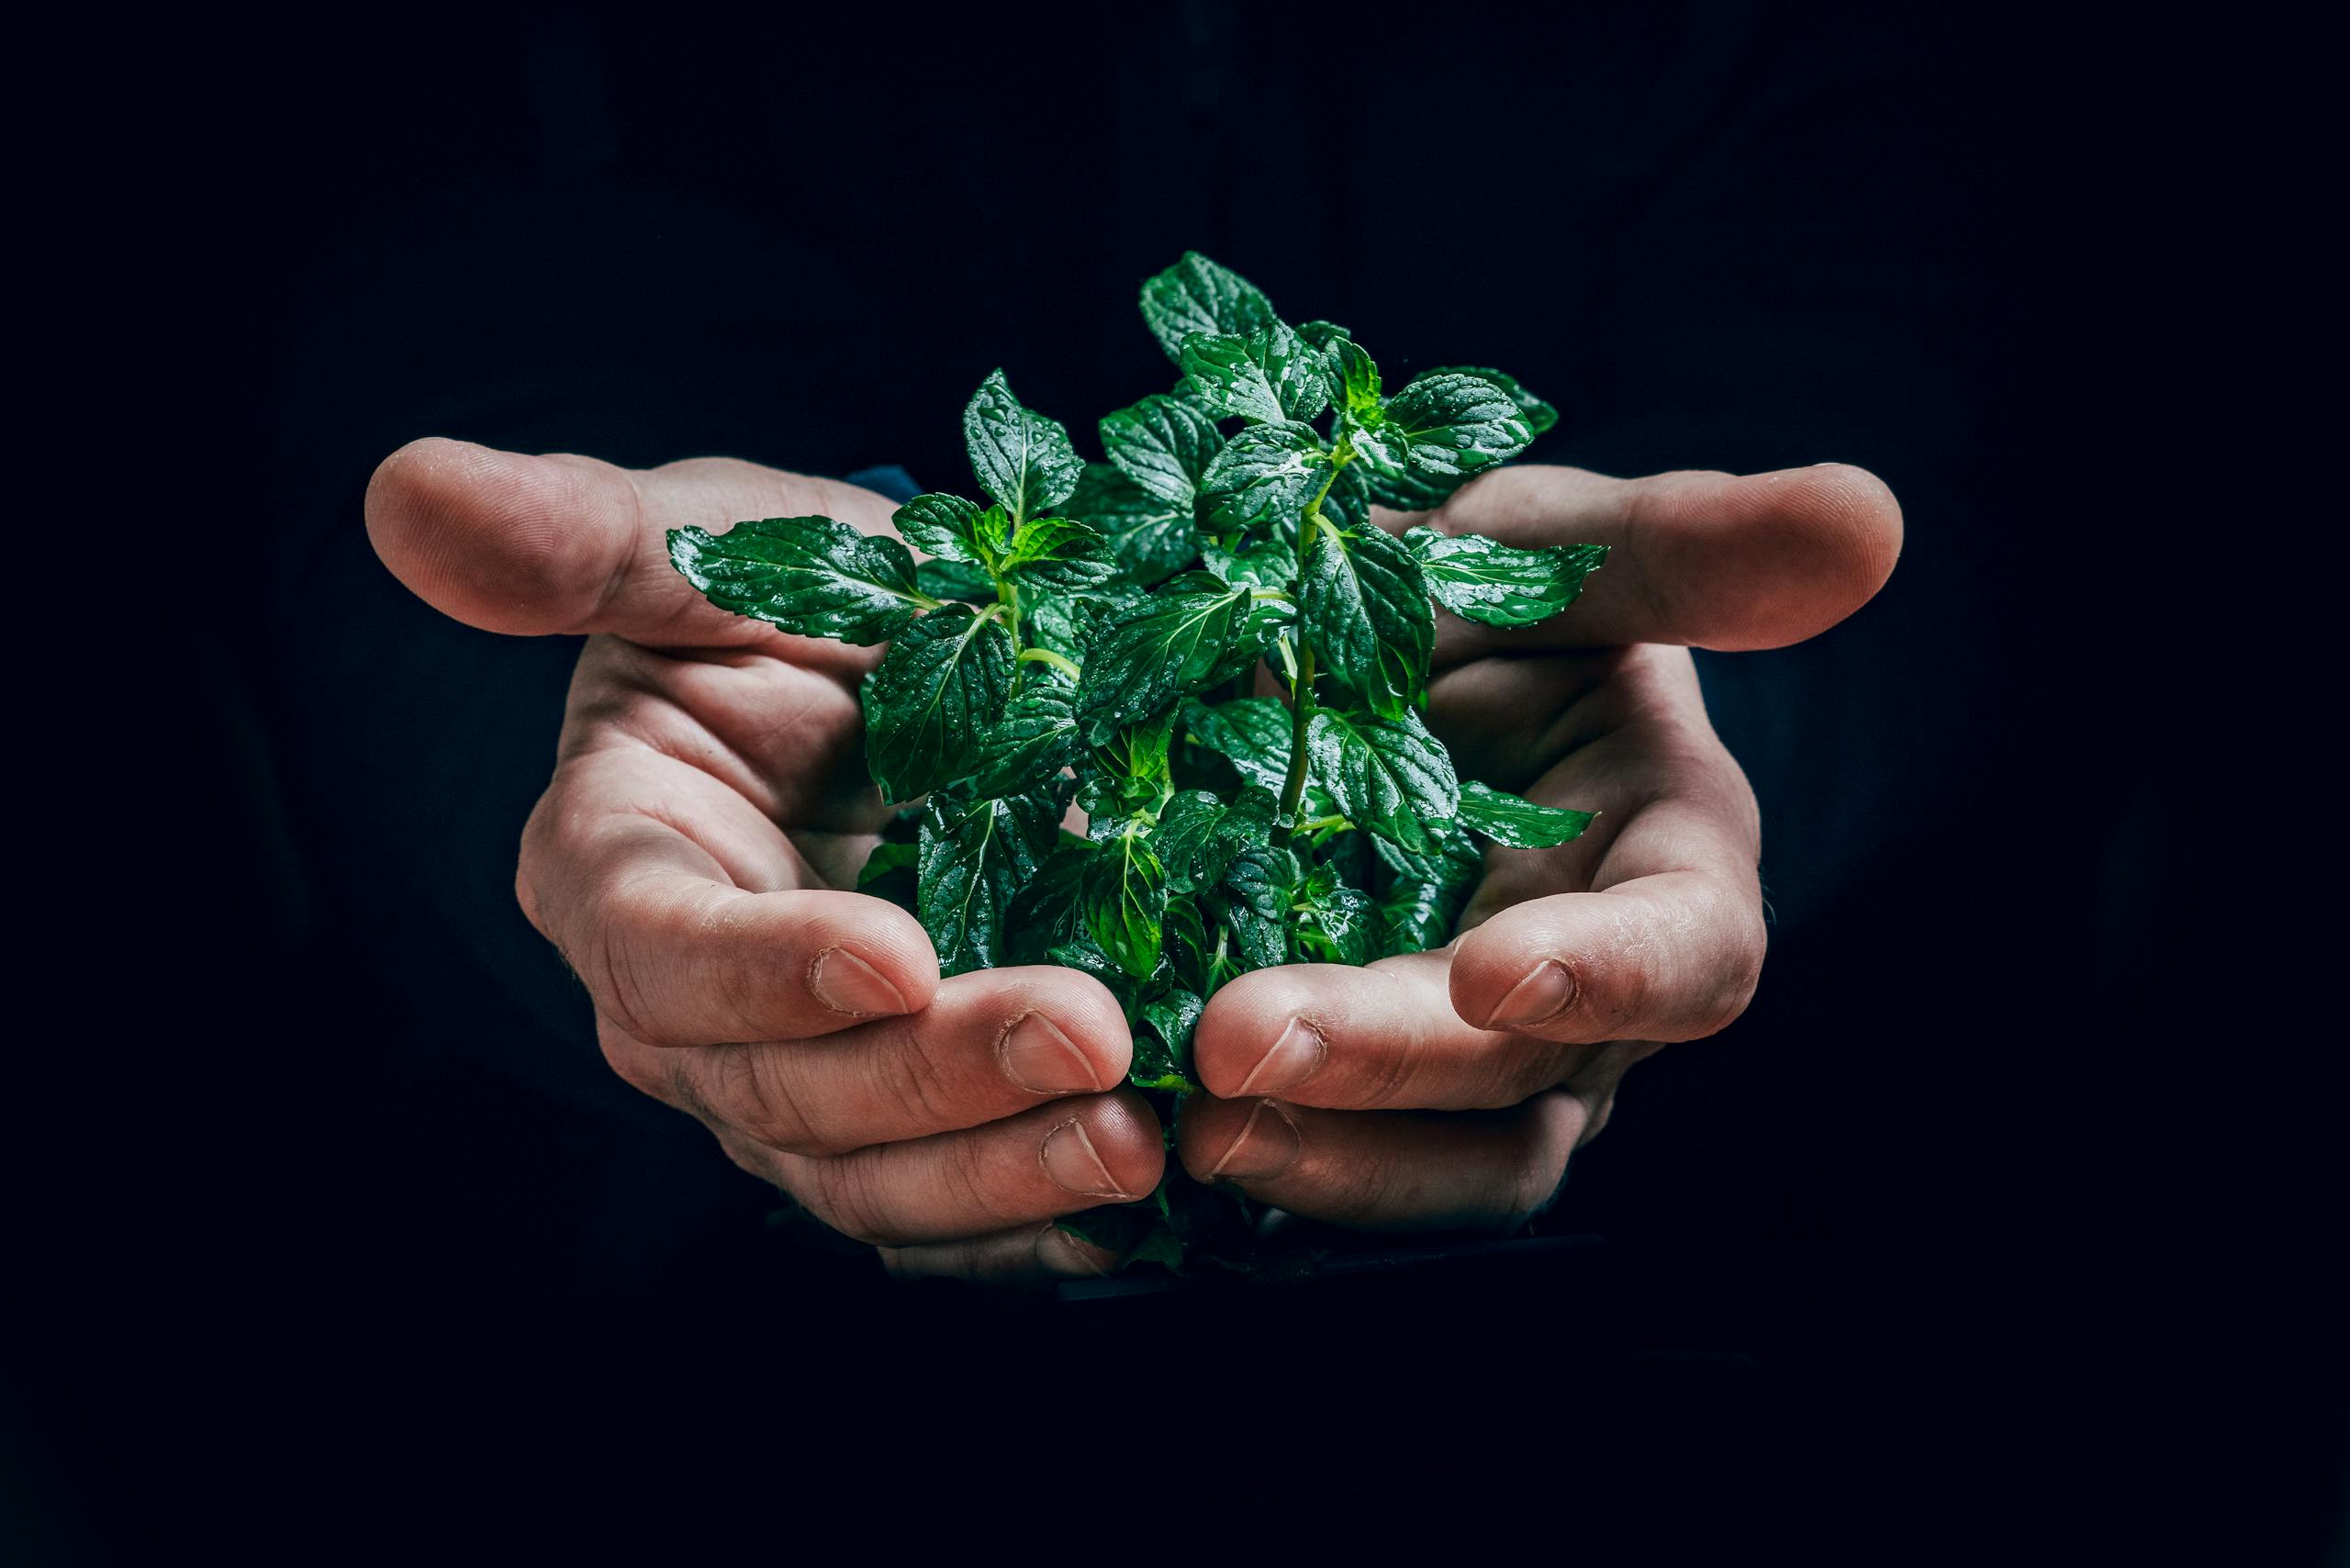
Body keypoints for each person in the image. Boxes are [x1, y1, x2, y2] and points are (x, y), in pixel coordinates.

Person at [364, 435, 1900, 1280]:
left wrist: (1702, 729)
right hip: (624, 1257)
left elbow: (1954, 408)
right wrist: (583, 821)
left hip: (1711, 1238)